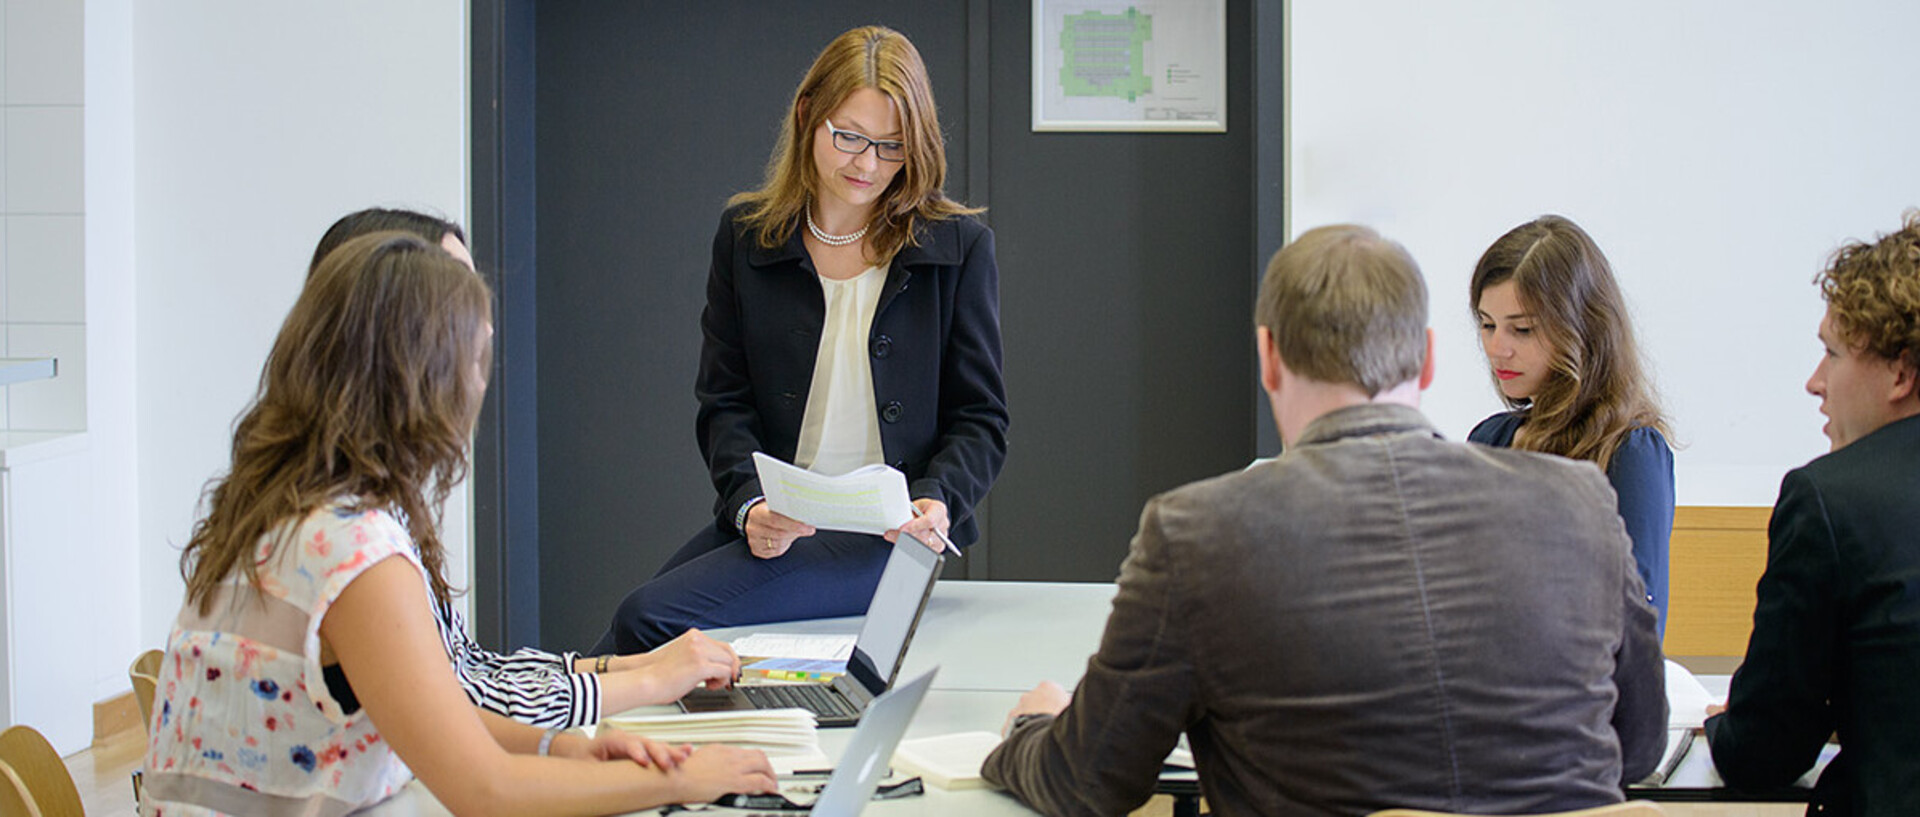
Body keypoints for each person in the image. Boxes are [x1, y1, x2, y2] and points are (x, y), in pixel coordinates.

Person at [981, 225, 1666, 816]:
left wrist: (1033, 729)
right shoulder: (1581, 504)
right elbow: (1638, 744)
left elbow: (1088, 781)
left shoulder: (1195, 530)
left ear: (1269, 357)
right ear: (1427, 358)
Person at [143, 232, 774, 816]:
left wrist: (557, 749)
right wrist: (687, 779)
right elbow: (484, 791)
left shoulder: (275, 507)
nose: (480, 381)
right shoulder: (353, 551)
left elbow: (431, 710)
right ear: (423, 382)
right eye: (476, 359)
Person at [592, 25, 1008, 654]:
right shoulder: (748, 235)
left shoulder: (957, 248)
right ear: (807, 115)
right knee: (618, 642)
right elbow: (724, 402)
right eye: (849, 137)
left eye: (892, 147)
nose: (868, 164)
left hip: (891, 538)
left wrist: (938, 499)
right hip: (782, 520)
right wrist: (749, 506)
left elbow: (981, 419)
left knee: (646, 620)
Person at [310, 207, 741, 728]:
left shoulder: (371, 497)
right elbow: (463, 717)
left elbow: (467, 671)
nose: (486, 325)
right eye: (460, 299)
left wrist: (625, 667)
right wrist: (646, 685)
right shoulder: (353, 536)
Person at [1705, 213, 1920, 816]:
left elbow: (1766, 750)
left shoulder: (1831, 499)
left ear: (1901, 372)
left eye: (1831, 353)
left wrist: (1729, 726)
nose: (1814, 382)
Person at [1467, 215, 1675, 633]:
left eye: (1522, 330)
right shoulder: (1490, 438)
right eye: (1487, 325)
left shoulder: (1630, 452)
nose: (1497, 348)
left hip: (1579, 691)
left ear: (1581, 328)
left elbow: (1637, 626)